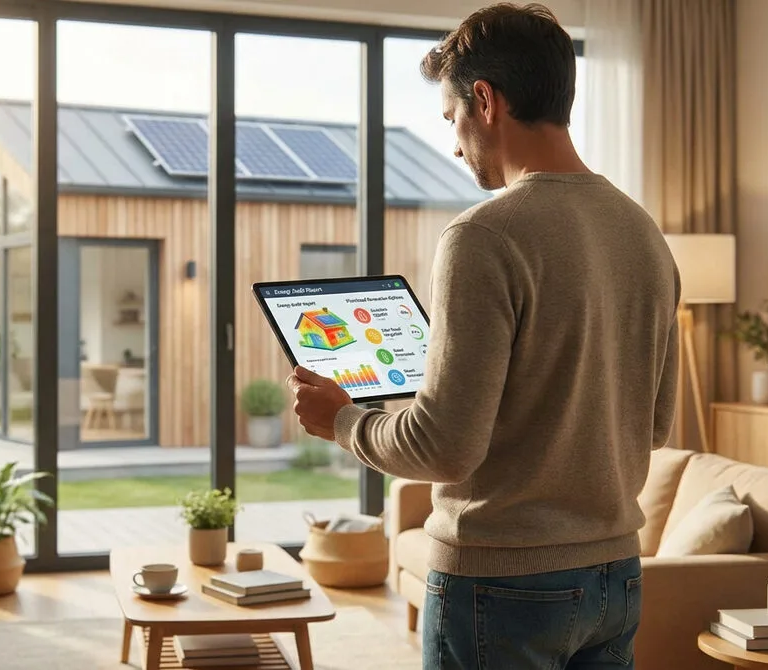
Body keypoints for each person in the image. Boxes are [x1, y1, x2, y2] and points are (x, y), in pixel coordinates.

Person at [286, 3, 680, 669]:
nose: (454, 143)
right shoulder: (644, 233)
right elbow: (655, 426)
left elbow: (443, 448)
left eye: (451, 118)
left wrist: (343, 420)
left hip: (501, 583)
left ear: (486, 101)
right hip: (615, 578)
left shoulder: (483, 235)